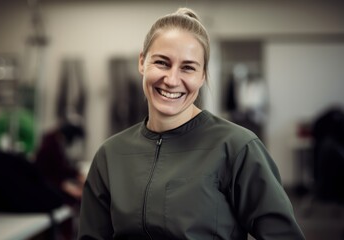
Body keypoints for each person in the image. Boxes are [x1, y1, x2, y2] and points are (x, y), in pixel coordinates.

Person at [78, 7, 305, 240]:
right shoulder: (110, 154)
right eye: (162, 63)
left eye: (187, 67)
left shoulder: (238, 147)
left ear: (203, 75)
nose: (172, 80)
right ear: (142, 62)